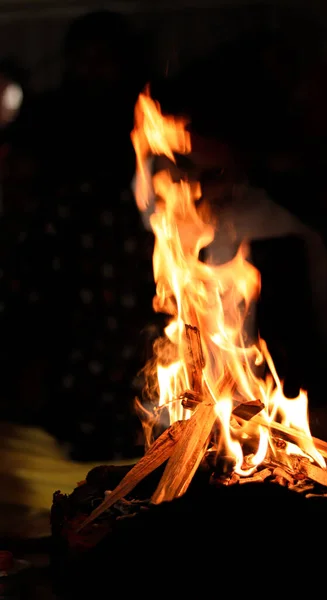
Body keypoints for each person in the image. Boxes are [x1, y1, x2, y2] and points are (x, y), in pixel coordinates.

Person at [0, 10, 158, 461]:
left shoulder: (141, 111)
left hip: (126, 257)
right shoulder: (50, 113)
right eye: (83, 60)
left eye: (103, 59)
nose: (92, 70)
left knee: (130, 356)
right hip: (63, 258)